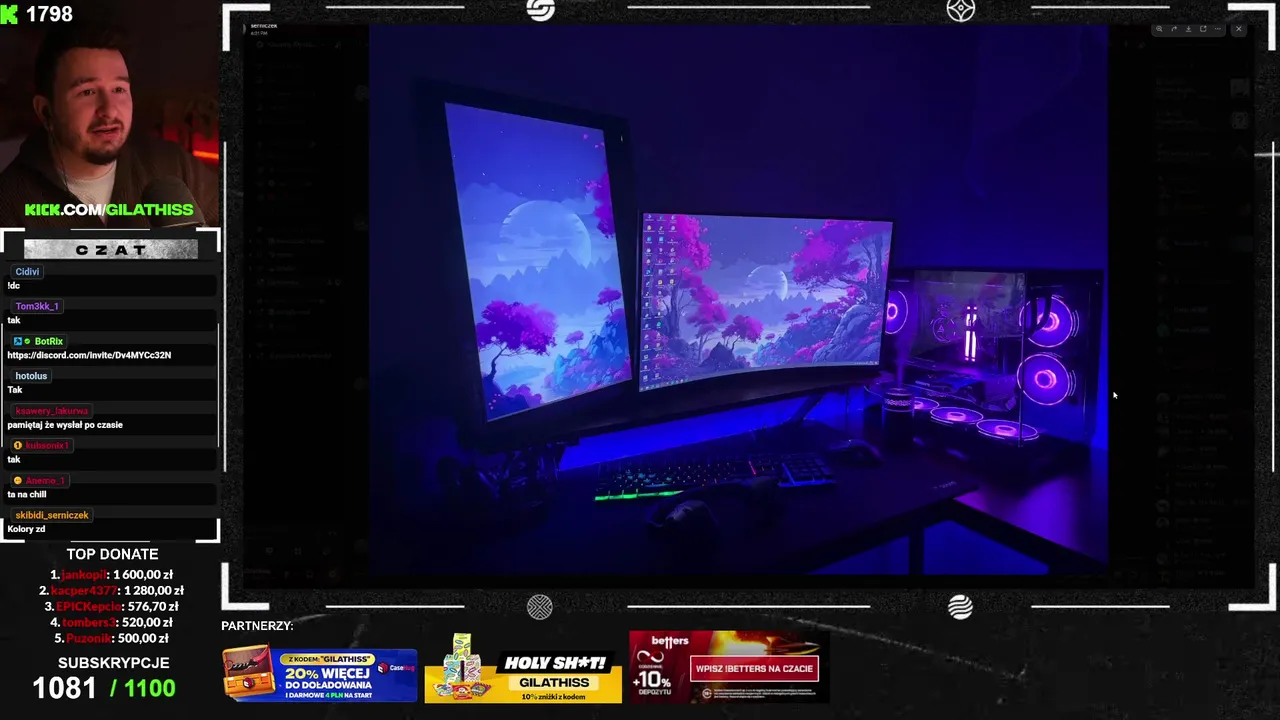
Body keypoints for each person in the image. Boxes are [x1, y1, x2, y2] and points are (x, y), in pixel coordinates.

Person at [0, 24, 219, 228]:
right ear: (45, 110)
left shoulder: (174, 165)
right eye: (87, 92)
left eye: (119, 89)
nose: (110, 110)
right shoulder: (10, 203)